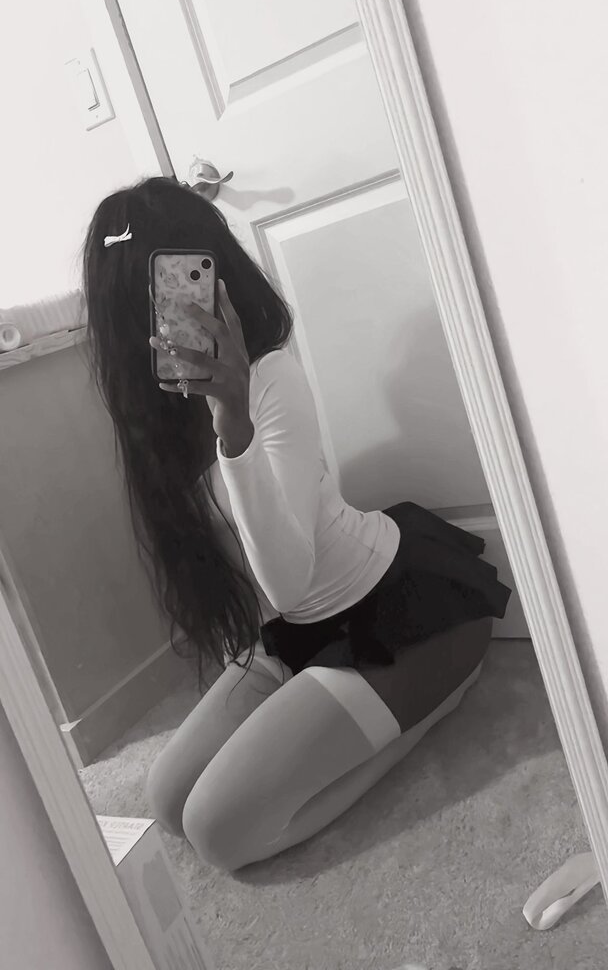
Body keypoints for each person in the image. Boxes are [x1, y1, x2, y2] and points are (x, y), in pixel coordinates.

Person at [83, 176, 510, 872]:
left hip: (404, 621)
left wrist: (234, 425)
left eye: (183, 283)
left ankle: (436, 700)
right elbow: (262, 595)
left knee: (221, 833)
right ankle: (362, 709)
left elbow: (287, 580)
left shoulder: (269, 379)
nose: (168, 314)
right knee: (168, 799)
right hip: (298, 633)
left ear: (218, 275)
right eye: (144, 298)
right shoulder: (157, 426)